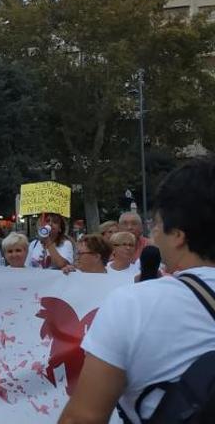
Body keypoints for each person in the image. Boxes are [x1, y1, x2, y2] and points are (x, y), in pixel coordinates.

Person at [59, 156, 215, 424]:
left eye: (156, 224)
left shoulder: (134, 305)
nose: (153, 234)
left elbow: (83, 418)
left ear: (178, 234)